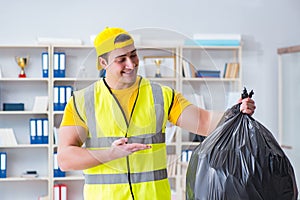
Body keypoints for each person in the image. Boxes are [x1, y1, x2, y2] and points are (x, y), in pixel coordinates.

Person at [57, 27, 256, 200]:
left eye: (133, 55)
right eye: (121, 59)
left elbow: (203, 122)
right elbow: (65, 159)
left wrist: (234, 112)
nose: (131, 64)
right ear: (103, 63)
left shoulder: (161, 95)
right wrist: (111, 154)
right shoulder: (82, 101)